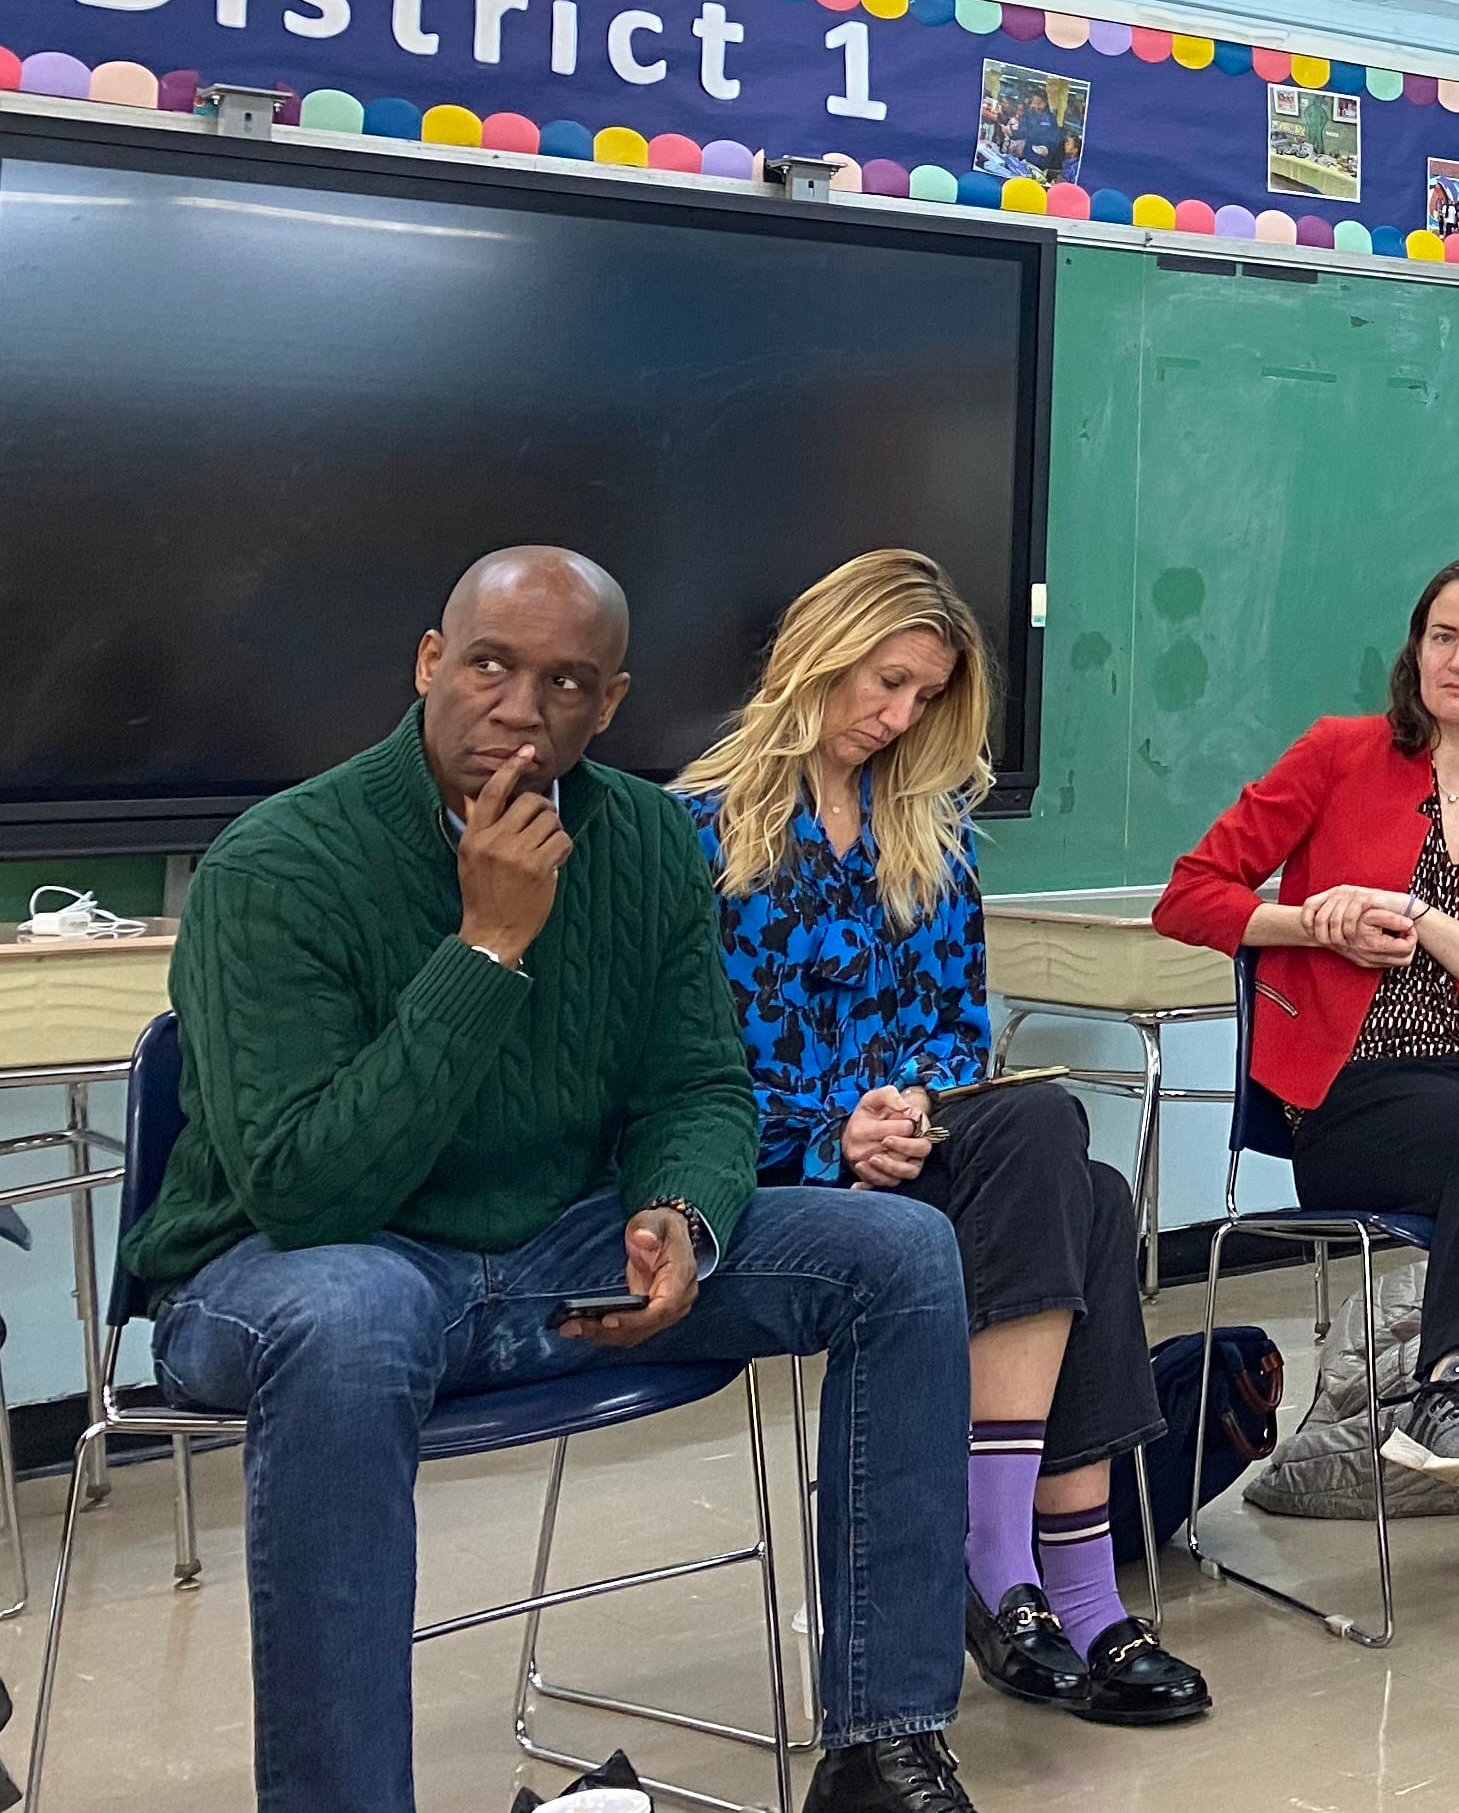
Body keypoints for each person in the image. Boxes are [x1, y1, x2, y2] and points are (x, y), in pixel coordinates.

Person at [128, 548, 981, 1813]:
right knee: (351, 1316)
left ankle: (883, 1744)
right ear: (429, 663)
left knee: (899, 1253)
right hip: (289, 1271)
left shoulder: (639, 842)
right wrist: (487, 943)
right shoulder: (279, 863)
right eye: (489, 665)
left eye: (565, 681)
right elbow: (306, 1190)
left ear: (612, 703)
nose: (522, 707)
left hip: (546, 1255)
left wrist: (680, 1212)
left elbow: (699, 1086)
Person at [678, 551, 1206, 1726]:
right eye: (884, 681)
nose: (898, 715)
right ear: (818, 656)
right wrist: (831, 1137)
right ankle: (1040, 1576)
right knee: (1092, 1190)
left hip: (920, 1154)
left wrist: (909, 1106)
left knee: (1049, 1138)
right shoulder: (691, 837)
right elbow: (678, 1075)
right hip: (771, 1176)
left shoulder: (931, 832)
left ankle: (1032, 1579)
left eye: (924, 695)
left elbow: (951, 1036)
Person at [1155, 555, 1459, 1643]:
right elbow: (1187, 897)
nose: (1458, 659)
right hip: (1356, 1094)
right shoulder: (1338, 755)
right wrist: (1314, 922)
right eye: (1441, 635)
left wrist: (1425, 922)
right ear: (1413, 647)